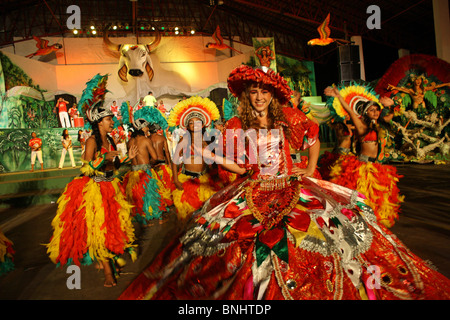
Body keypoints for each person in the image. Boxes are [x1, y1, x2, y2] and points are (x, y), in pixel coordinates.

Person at [119, 65, 450, 300]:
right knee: (241, 251)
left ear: (271, 95)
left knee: (323, 245)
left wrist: (308, 167)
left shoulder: (289, 118)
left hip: (294, 189)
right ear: (247, 97)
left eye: (264, 92)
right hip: (253, 191)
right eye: (254, 92)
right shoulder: (236, 124)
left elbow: (314, 138)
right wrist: (213, 154)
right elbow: (240, 167)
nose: (259, 97)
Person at [46, 100, 138, 287]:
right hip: (96, 190)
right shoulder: (92, 141)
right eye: (108, 119)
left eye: (111, 119)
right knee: (99, 230)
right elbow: (87, 167)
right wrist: (103, 157)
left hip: (112, 188)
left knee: (113, 228)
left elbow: (114, 165)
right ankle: (107, 271)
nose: (112, 122)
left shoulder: (110, 140)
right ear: (99, 122)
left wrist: (128, 158)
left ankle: (109, 260)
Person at [324, 86, 404, 228]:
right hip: (363, 166)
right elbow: (350, 111)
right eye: (372, 110)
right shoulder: (361, 126)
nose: (376, 112)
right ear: (365, 112)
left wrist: (393, 106)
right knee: (359, 200)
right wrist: (338, 96)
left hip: (376, 166)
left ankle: (372, 224)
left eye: (377, 109)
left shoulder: (379, 124)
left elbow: (393, 114)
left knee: (375, 199)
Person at [169, 96, 224, 221]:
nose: (194, 125)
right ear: (187, 126)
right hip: (187, 179)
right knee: (188, 214)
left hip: (204, 179)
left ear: (203, 124)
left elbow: (214, 161)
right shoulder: (184, 139)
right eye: (191, 123)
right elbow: (174, 161)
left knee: (204, 213)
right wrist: (176, 180)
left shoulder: (207, 139)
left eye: (197, 122)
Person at [122, 118, 166, 225]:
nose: (147, 129)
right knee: (152, 195)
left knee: (138, 197)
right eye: (146, 126)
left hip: (133, 173)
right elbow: (155, 157)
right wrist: (149, 163)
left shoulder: (129, 142)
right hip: (145, 172)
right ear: (142, 128)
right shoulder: (146, 140)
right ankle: (158, 219)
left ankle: (144, 219)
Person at [148, 123, 176, 208]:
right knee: (166, 183)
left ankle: (160, 202)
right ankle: (167, 201)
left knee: (156, 184)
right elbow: (167, 152)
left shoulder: (147, 139)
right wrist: (169, 163)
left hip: (152, 163)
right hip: (162, 161)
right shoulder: (162, 138)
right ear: (157, 130)